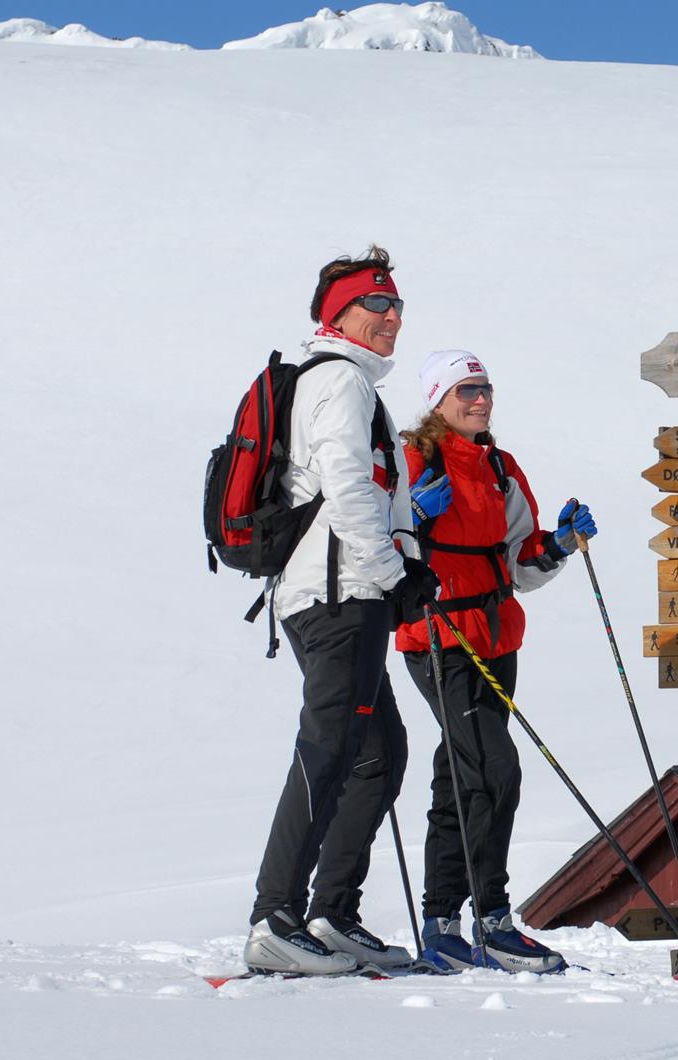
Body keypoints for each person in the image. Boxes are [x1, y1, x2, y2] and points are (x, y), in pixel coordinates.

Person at [242, 245, 441, 975]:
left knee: (377, 754)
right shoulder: (342, 383)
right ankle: (275, 916)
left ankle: (330, 914)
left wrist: (401, 570)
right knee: (329, 750)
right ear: (340, 315)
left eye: (397, 307)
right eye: (377, 306)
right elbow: (349, 488)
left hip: (343, 590)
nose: (392, 319)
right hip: (337, 594)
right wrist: (394, 575)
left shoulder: (347, 383)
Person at [395, 349, 598, 974]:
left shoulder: (500, 467)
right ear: (438, 398)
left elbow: (517, 557)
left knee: (461, 772)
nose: (479, 399)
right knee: (494, 769)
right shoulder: (413, 460)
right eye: (465, 390)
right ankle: (491, 921)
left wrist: (558, 543)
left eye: (484, 388)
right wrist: (408, 519)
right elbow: (369, 533)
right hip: (437, 631)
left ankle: (442, 925)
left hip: (495, 634)